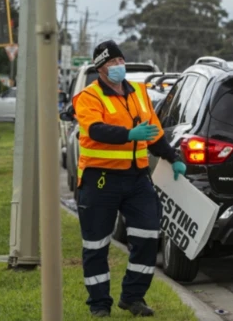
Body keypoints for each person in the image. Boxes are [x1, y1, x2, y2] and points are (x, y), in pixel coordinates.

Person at [72, 40, 187, 317]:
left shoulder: (139, 91)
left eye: (120, 60)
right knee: (96, 244)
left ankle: (133, 297)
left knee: (148, 235)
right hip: (100, 178)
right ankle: (99, 305)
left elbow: (154, 132)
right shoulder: (89, 97)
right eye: (111, 63)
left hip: (136, 178)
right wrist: (128, 135)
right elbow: (96, 130)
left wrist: (173, 157)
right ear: (100, 69)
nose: (118, 66)